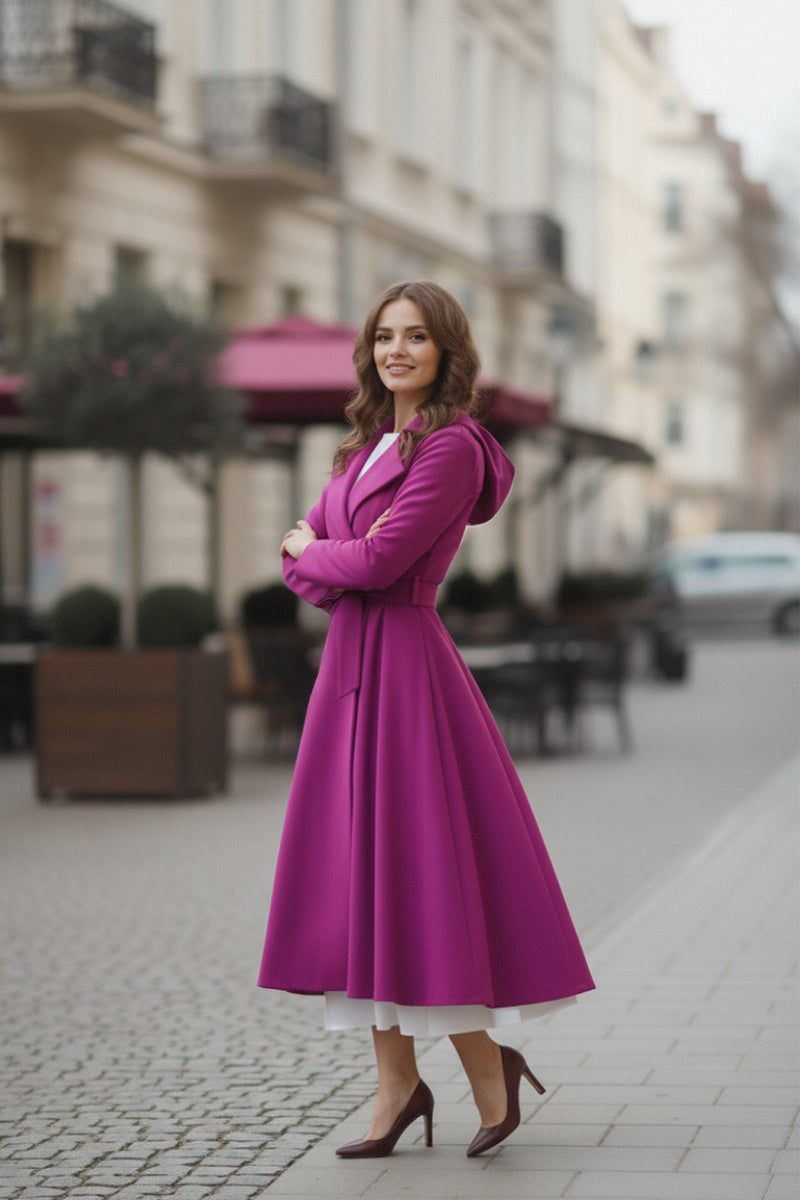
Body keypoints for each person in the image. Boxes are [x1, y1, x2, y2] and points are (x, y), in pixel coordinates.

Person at [257, 280, 595, 1159]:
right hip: (350, 678)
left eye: (415, 337)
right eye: (382, 337)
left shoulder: (451, 449)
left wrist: (309, 550)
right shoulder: (365, 446)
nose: (395, 351)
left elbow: (371, 561)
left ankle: (481, 1073)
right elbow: (327, 567)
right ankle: (401, 1084)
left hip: (406, 675)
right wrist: (319, 558)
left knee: (416, 880)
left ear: (448, 350)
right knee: (360, 884)